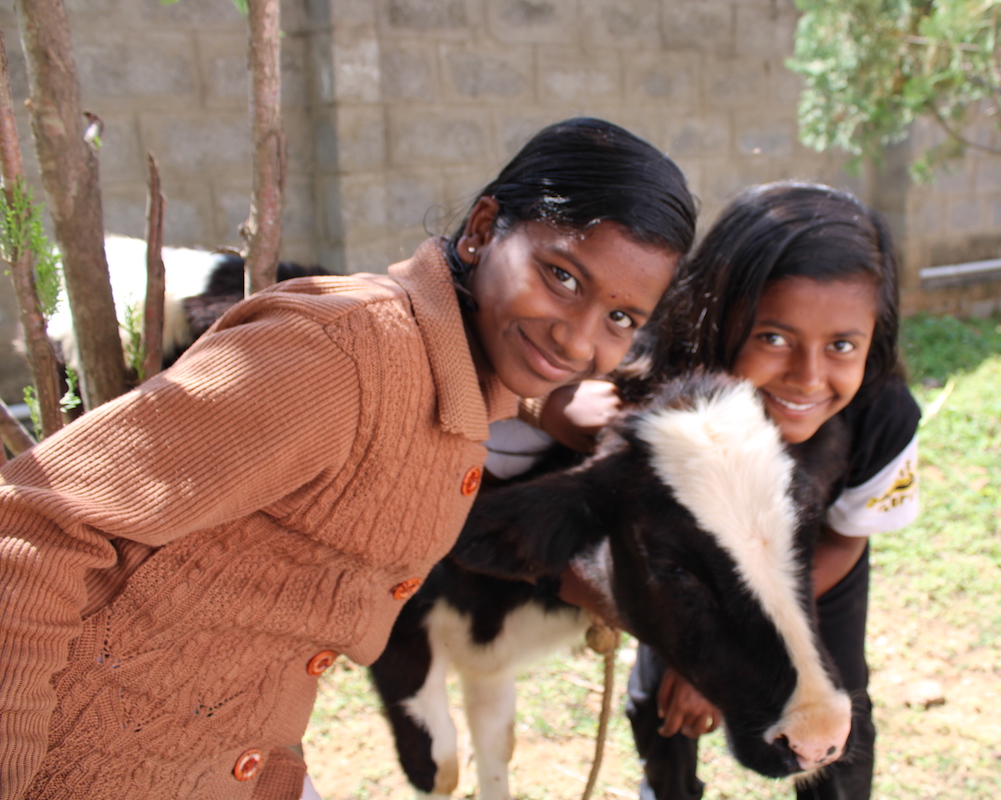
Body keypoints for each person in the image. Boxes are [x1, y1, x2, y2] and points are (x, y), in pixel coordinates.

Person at [0, 117, 696, 800]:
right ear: (483, 230)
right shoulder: (339, 360)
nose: (578, 341)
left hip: (228, 756)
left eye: (620, 318)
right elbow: (34, 525)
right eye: (562, 277)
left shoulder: (472, 400)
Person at [549, 181, 920, 800]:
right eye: (773, 338)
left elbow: (845, 537)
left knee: (835, 709)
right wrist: (699, 658)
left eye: (841, 346)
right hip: (683, 576)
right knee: (659, 705)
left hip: (814, 569)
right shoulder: (654, 383)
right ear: (721, 317)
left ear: (873, 334)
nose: (807, 377)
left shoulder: (881, 416)